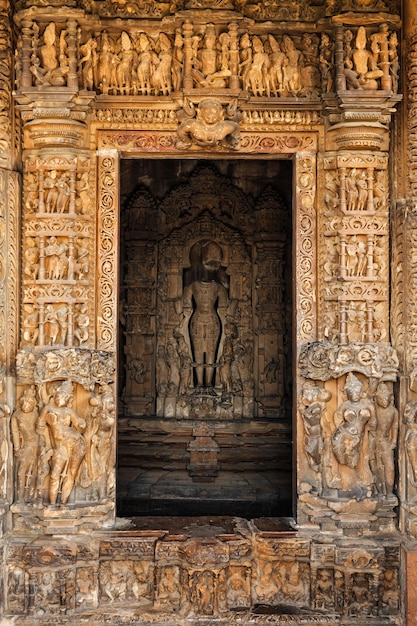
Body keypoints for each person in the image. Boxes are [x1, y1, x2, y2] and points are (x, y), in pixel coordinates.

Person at [183, 241, 228, 388]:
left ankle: (209, 383)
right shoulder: (192, 286)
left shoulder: (219, 288)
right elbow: (185, 307)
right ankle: (199, 383)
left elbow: (224, 309)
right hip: (196, 320)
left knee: (211, 352)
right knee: (197, 352)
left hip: (212, 321)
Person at [37, 380, 86, 505]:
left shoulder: (69, 411)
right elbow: (39, 428)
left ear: (68, 398)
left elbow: (79, 425)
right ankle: (52, 504)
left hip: (77, 443)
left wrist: (82, 423)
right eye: (59, 395)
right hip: (60, 447)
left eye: (64, 396)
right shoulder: (48, 408)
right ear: (54, 396)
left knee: (71, 474)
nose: (60, 398)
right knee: (55, 475)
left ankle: (64, 503)